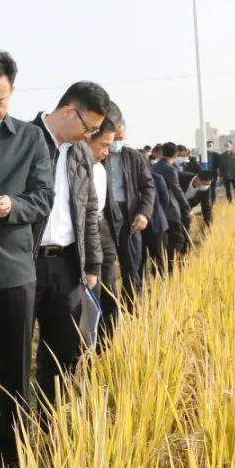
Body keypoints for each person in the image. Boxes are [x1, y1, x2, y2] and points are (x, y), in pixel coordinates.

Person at [0, 46, 54, 468]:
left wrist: (11, 206)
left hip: (13, 271)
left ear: (13, 93)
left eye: (0, 101)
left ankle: (12, 456)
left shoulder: (30, 139)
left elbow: (43, 197)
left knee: (15, 371)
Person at [30, 82, 108, 421]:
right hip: (25, 262)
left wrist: (91, 265)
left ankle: (52, 428)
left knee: (63, 352)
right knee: (16, 355)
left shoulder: (79, 154)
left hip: (66, 264)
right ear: (68, 111)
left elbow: (89, 213)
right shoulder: (24, 140)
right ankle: (14, 446)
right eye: (88, 127)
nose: (89, 135)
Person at [94, 107, 155, 325]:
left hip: (130, 217)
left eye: (121, 138)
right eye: (114, 138)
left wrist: (144, 213)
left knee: (132, 269)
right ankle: (106, 320)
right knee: (106, 270)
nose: (118, 142)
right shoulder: (97, 155)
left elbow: (149, 187)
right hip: (104, 217)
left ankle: (133, 314)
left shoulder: (134, 157)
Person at [86, 116, 119, 345]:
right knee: (91, 296)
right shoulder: (72, 166)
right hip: (83, 235)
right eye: (104, 145)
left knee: (109, 294)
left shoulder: (100, 169)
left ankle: (107, 346)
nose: (107, 151)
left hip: (101, 232)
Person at [152, 142, 192, 270]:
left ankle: (161, 267)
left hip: (156, 209)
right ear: (176, 154)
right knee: (178, 239)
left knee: (163, 241)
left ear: (163, 152)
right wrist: (187, 208)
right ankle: (170, 266)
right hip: (170, 209)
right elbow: (177, 190)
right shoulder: (170, 169)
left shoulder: (153, 167)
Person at [220, 140, 235, 204]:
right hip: (225, 176)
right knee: (228, 190)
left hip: (234, 176)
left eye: (228, 145)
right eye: (226, 145)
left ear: (231, 145)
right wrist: (221, 175)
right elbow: (221, 167)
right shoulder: (222, 156)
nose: (227, 146)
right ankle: (230, 202)